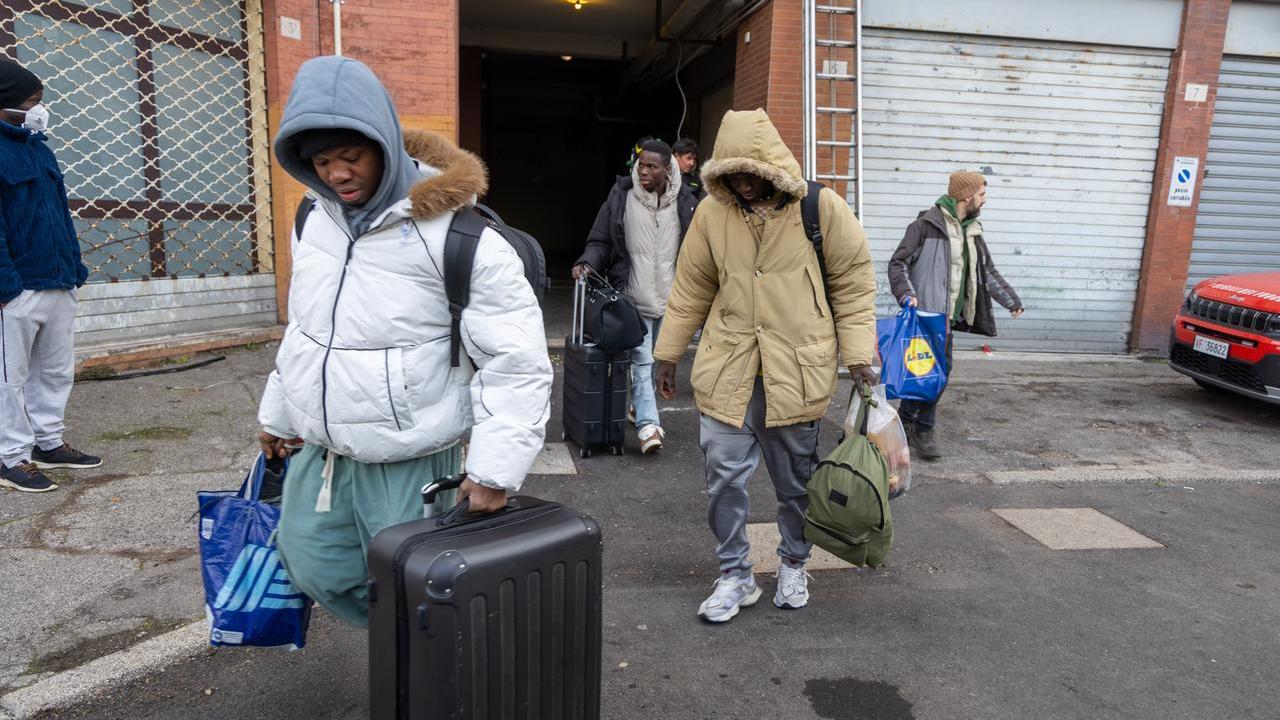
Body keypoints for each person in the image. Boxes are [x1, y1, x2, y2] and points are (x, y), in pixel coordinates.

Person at [257, 56, 552, 626]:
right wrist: (279, 414)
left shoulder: (463, 236)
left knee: (418, 595)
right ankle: (409, 652)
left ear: (384, 144)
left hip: (411, 457)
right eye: (320, 161)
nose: (336, 174)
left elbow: (515, 361)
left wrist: (494, 471)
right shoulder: (313, 219)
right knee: (314, 564)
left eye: (350, 156)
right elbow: (308, 329)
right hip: (326, 451)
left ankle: (427, 665)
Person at [652, 109, 877, 622]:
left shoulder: (820, 208)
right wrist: (667, 353)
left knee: (796, 486)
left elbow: (853, 284)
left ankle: (794, 562)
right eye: (732, 175)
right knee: (723, 482)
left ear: (771, 165)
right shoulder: (712, 214)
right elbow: (691, 287)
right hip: (727, 371)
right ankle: (735, 574)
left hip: (797, 372)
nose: (743, 184)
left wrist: (859, 356)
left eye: (751, 173)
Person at [0, 59, 101, 494]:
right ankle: (11, 457)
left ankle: (49, 442)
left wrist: (74, 269)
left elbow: (60, 213)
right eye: (32, 101)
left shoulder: (41, 149)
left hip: (58, 280)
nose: (39, 109)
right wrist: (7, 287)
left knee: (56, 371)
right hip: (18, 288)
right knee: (9, 380)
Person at [572, 138, 699, 454]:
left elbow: (699, 249)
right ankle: (648, 426)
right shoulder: (621, 196)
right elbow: (601, 240)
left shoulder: (686, 201)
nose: (643, 171)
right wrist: (587, 262)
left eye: (651, 167)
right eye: (641, 165)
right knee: (641, 361)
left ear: (667, 169)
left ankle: (635, 408)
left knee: (659, 360)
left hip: (671, 300)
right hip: (633, 297)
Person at [887, 171, 1023, 461]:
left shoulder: (972, 230)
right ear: (966, 196)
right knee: (928, 372)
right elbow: (898, 263)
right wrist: (906, 293)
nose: (984, 200)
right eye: (981, 194)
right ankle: (922, 428)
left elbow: (986, 271)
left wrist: (1010, 300)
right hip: (925, 315)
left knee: (937, 372)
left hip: (947, 319)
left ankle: (910, 422)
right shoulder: (925, 226)